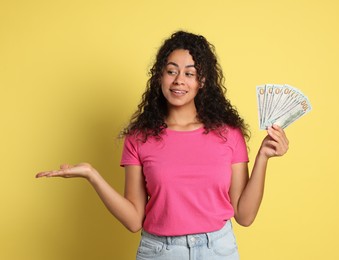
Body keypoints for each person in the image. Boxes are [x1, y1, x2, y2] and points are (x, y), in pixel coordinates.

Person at [36, 31, 289, 260]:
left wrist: (263, 157)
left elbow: (244, 216)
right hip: (160, 252)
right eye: (172, 71)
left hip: (219, 250)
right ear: (160, 76)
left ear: (202, 81)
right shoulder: (139, 137)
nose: (179, 80)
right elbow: (134, 220)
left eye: (189, 73)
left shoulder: (228, 134)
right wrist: (92, 175)